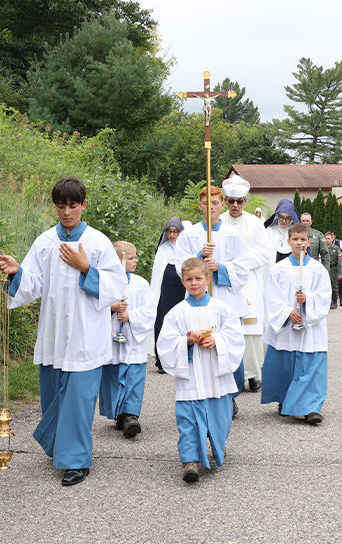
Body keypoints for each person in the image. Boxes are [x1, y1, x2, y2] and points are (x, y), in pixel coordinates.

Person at [0, 177, 127, 486]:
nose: (67, 212)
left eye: (73, 205)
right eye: (61, 206)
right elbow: (33, 284)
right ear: (55, 206)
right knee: (53, 396)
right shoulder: (44, 242)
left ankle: (76, 460)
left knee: (78, 399)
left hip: (86, 335)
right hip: (54, 333)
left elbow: (117, 287)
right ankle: (60, 448)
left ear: (84, 205)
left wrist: (85, 268)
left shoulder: (97, 242)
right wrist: (17, 271)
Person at [156, 257, 245, 483]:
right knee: (188, 420)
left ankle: (216, 445)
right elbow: (165, 343)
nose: (194, 283)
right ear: (182, 281)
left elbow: (234, 336)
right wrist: (185, 342)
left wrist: (216, 340)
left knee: (220, 418)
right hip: (192, 378)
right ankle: (190, 460)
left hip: (216, 376)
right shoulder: (176, 313)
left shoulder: (222, 309)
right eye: (189, 279)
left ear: (208, 279)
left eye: (198, 278)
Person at [174, 185, 249, 417]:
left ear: (222, 205)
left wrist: (220, 268)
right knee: (203, 346)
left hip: (225, 299)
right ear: (200, 206)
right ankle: (202, 392)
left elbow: (244, 268)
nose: (211, 208)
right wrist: (198, 256)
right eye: (207, 203)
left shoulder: (233, 235)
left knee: (228, 345)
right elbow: (179, 265)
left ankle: (231, 395)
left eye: (216, 203)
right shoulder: (189, 235)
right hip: (199, 299)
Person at [261, 223, 331, 424]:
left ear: (309, 242)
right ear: (288, 241)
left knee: (311, 367)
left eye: (303, 239)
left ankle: (311, 408)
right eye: (295, 239)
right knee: (285, 365)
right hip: (287, 326)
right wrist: (287, 311)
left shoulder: (317, 269)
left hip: (311, 327)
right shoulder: (279, 269)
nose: (299, 243)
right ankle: (285, 399)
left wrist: (307, 299)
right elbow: (271, 296)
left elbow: (324, 296)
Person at [98, 241, 156, 437]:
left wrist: (130, 316)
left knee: (133, 375)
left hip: (132, 339)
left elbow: (150, 311)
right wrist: (111, 309)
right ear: (119, 260)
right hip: (112, 338)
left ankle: (131, 415)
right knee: (114, 376)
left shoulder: (141, 284)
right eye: (131, 258)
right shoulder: (104, 281)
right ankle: (119, 414)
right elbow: (92, 307)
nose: (136, 261)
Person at [221, 175, 271, 393]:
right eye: (230, 201)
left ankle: (253, 373)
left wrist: (240, 262)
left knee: (251, 331)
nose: (234, 205)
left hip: (249, 280)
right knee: (229, 329)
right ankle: (232, 374)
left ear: (246, 201)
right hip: (224, 280)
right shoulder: (218, 222)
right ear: (224, 200)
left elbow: (264, 253)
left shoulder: (256, 224)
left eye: (239, 201)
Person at [150, 218, 186, 372]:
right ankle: (162, 360)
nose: (172, 235)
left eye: (175, 231)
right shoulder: (163, 249)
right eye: (169, 231)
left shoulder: (185, 247)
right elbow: (157, 274)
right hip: (166, 290)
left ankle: (180, 357)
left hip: (181, 288)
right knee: (163, 321)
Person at [264, 199, 300, 264]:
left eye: (288, 218)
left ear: (292, 219)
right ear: (277, 216)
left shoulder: (296, 233)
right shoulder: (269, 231)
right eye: (281, 217)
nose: (284, 221)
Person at [325, 231, 342, 309]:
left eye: (328, 238)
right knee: (325, 286)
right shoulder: (322, 248)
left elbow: (339, 262)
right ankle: (327, 302)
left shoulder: (336, 248)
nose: (327, 240)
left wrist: (339, 273)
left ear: (332, 239)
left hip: (333, 269)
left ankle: (334, 301)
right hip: (325, 269)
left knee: (334, 286)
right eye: (326, 238)